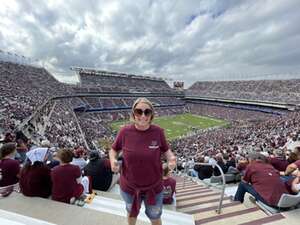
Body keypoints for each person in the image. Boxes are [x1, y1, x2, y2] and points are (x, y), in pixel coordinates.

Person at [109, 97, 176, 225]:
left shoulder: (158, 132)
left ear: (152, 114)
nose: (143, 115)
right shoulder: (124, 132)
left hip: (154, 187)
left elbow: (166, 150)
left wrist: (171, 158)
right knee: (131, 214)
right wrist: (113, 160)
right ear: (133, 113)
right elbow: (113, 150)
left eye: (147, 112)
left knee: (155, 217)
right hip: (129, 187)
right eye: (139, 111)